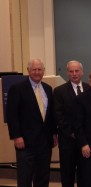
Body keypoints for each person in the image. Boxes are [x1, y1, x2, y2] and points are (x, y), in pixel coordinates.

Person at [6, 59, 58, 187]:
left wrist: (54, 134)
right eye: (34, 69)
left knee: (42, 177)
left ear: (43, 71)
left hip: (45, 143)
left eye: (39, 69)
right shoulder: (17, 88)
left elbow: (50, 115)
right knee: (25, 178)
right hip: (25, 143)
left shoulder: (48, 88)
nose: (37, 72)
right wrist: (16, 136)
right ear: (28, 70)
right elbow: (12, 115)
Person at [53, 60, 90, 187]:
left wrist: (83, 136)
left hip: (86, 141)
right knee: (67, 175)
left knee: (85, 175)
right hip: (68, 141)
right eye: (71, 71)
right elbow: (59, 117)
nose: (74, 74)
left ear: (82, 72)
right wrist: (74, 134)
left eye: (77, 71)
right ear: (67, 73)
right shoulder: (59, 91)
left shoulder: (90, 88)